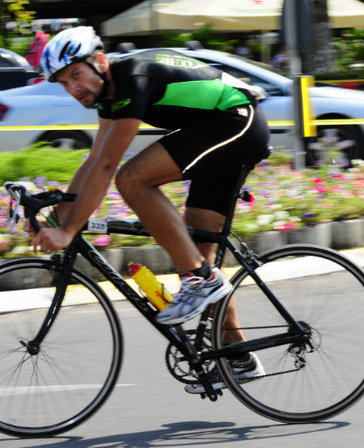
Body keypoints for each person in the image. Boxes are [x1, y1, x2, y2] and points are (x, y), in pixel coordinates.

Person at [31, 26, 270, 391]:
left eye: (76, 75)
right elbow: (94, 159)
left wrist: (67, 231)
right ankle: (239, 356)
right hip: (217, 128)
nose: (73, 88)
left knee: (132, 179)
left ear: (99, 61)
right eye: (64, 83)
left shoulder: (132, 80)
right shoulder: (109, 95)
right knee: (196, 252)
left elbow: (109, 167)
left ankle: (200, 278)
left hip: (236, 121)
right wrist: (56, 215)